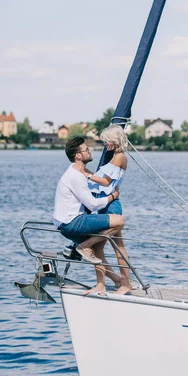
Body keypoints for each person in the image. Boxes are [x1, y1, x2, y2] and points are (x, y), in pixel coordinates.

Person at [53, 137, 128, 295]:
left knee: (97, 248)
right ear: (78, 155)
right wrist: (112, 197)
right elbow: (92, 204)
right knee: (119, 221)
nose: (90, 151)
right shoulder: (75, 176)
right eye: (86, 149)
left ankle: (109, 283)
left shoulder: (77, 172)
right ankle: (84, 246)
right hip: (72, 222)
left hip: (65, 222)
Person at [82, 125, 131, 295]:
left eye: (106, 141)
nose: (105, 144)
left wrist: (85, 174)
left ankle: (125, 284)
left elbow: (105, 182)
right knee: (98, 250)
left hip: (112, 206)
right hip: (104, 205)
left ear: (114, 141)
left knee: (118, 247)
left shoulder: (120, 157)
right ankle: (103, 283)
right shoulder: (114, 157)